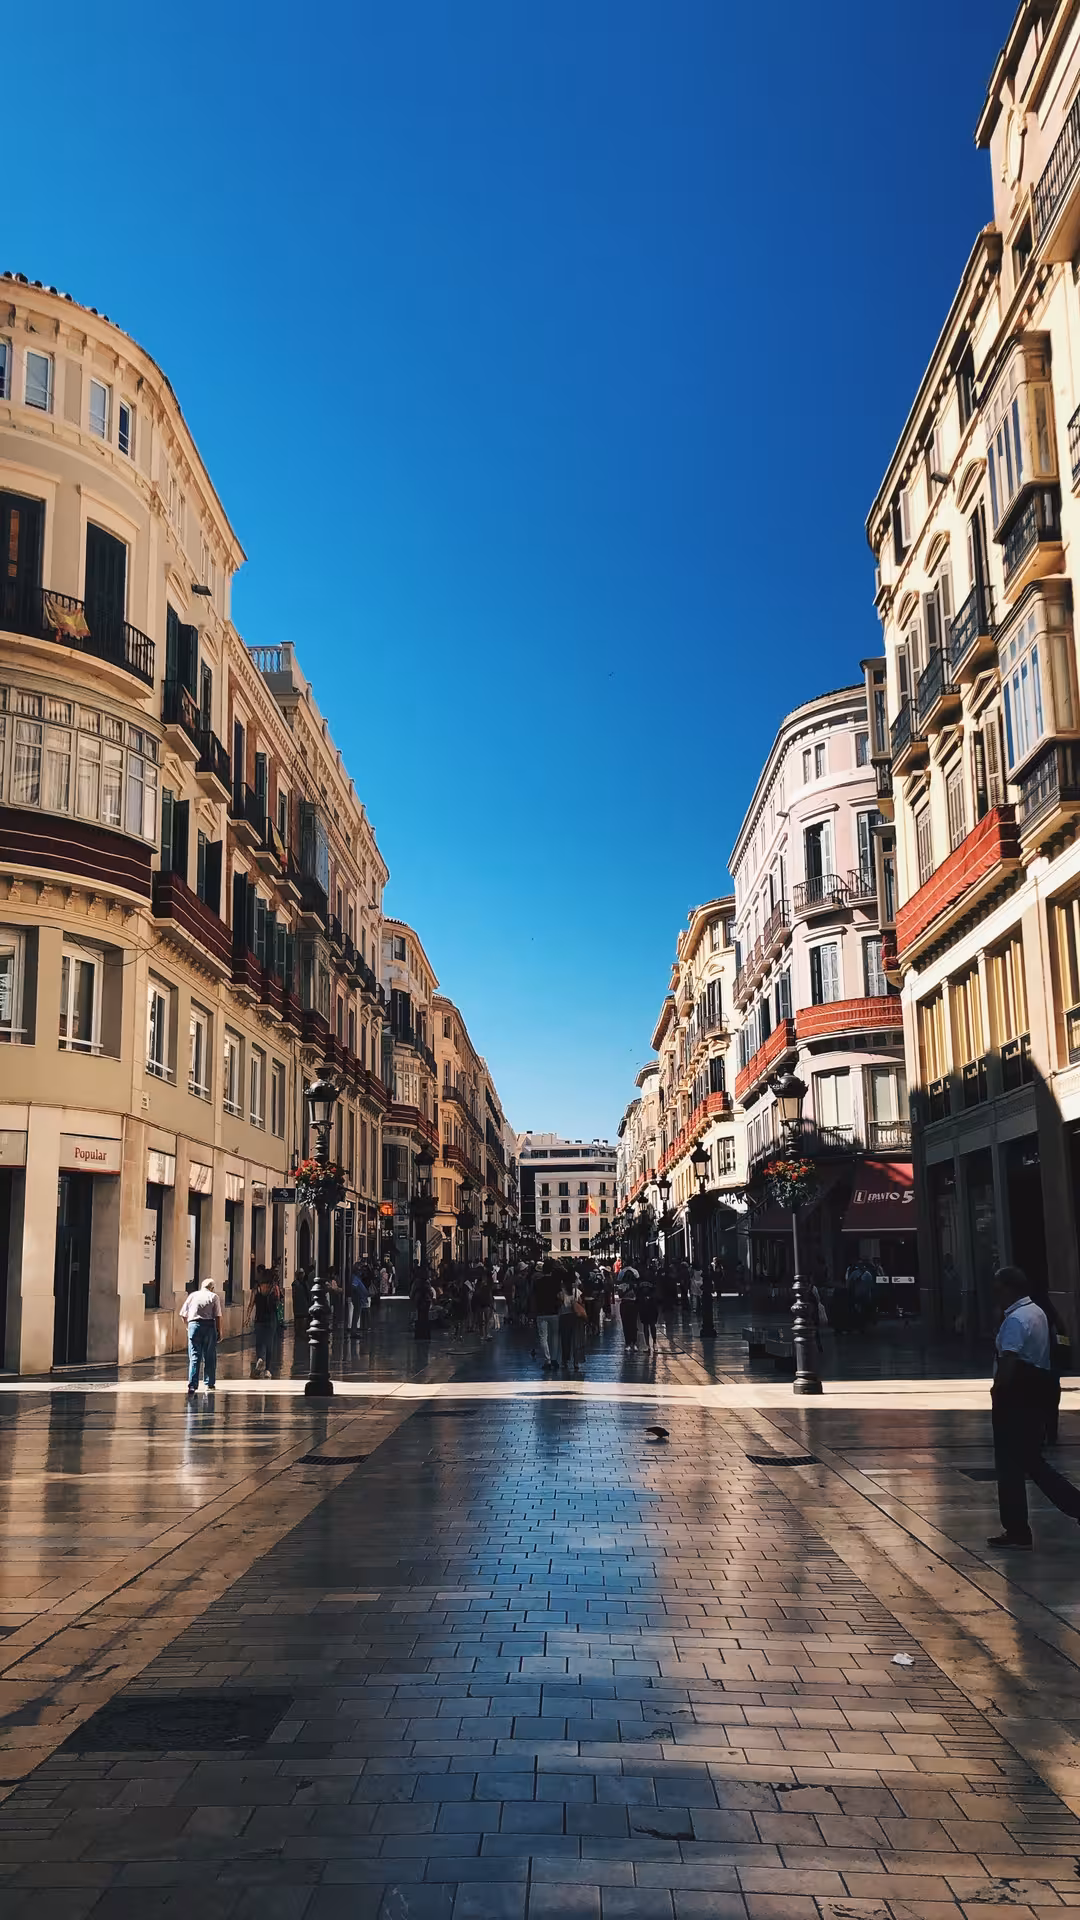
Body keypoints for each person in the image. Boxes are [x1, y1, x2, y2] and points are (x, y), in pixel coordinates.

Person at [989, 1265, 1080, 1550]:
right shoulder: (1037, 1312)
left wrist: (997, 1390)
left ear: (1009, 1288)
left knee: (1011, 1466)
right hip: (1033, 1397)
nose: (995, 1294)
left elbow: (1009, 1361)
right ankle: (1021, 1527)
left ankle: (1017, 1530)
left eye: (998, 1288)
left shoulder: (1015, 1321)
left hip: (1014, 1400)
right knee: (1030, 1461)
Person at [180, 1278, 222, 1393]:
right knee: (209, 1356)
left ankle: (192, 1385)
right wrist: (219, 1331)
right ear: (212, 1288)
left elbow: (183, 1314)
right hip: (208, 1326)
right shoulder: (214, 1297)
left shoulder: (192, 1296)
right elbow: (217, 1316)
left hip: (194, 1325)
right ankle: (209, 1383)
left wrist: (188, 1327)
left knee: (194, 1356)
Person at [246, 1271, 279, 1378]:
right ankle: (268, 1370)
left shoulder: (256, 1291)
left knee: (259, 1342)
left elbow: (251, 1305)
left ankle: (260, 1358)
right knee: (270, 1344)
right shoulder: (273, 1289)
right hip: (271, 1320)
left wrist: (247, 1318)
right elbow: (277, 1303)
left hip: (259, 1319)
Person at [534, 1262, 563, 1371]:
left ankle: (547, 1359)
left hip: (541, 1312)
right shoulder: (556, 1282)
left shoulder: (538, 1282)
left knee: (543, 1337)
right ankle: (555, 1358)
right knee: (555, 1336)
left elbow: (533, 1296)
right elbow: (560, 1296)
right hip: (554, 1312)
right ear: (551, 1271)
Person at [558, 1272, 584, 1375]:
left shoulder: (561, 1293)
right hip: (575, 1317)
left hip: (564, 1317)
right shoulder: (577, 1292)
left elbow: (559, 1304)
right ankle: (576, 1361)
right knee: (576, 1340)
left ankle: (565, 1360)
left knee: (565, 1340)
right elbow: (581, 1303)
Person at [637, 1268, 659, 1351]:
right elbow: (638, 1293)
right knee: (646, 1325)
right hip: (644, 1305)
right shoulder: (640, 1282)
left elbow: (656, 1292)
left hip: (651, 1305)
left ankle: (654, 1342)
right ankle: (648, 1344)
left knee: (652, 1325)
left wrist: (651, 1297)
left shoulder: (653, 1282)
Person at [620, 1268, 640, 1352]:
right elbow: (620, 1295)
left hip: (632, 1304)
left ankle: (634, 1342)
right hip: (625, 1303)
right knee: (626, 1324)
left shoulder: (635, 1285)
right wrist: (628, 1288)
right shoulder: (622, 1285)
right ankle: (628, 1342)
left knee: (633, 1324)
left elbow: (638, 1294)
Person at [348, 1262, 370, 1338]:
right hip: (357, 1298)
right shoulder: (355, 1278)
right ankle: (353, 1331)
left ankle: (354, 1331)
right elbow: (354, 1287)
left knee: (357, 1314)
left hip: (359, 1297)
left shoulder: (357, 1278)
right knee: (356, 1315)